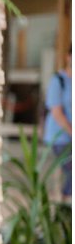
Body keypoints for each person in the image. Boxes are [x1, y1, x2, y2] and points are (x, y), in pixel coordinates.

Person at [42, 51, 70, 201]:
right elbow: (56, 112)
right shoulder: (58, 80)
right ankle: (66, 204)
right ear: (68, 56)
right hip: (58, 137)